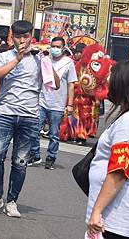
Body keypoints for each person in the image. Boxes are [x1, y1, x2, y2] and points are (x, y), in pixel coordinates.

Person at [0, 20, 60, 218]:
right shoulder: (3, 56)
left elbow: (55, 84)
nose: (22, 41)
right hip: (4, 113)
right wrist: (16, 59)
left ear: (31, 36)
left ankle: (12, 200)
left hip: (29, 116)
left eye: (26, 37)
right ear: (12, 36)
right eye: (18, 37)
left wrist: (47, 62)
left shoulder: (39, 59)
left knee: (20, 160)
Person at [86, 60, 129, 239]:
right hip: (111, 216)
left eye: (111, 76)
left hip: (115, 219)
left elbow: (119, 171)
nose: (107, 80)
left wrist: (97, 211)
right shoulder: (128, 118)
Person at [28, 37, 77, 170]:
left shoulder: (68, 63)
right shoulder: (45, 59)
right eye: (53, 46)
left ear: (63, 48)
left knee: (54, 134)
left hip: (57, 104)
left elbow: (71, 85)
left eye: (58, 46)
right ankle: (35, 155)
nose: (55, 49)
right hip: (42, 100)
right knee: (34, 129)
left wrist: (70, 104)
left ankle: (51, 157)